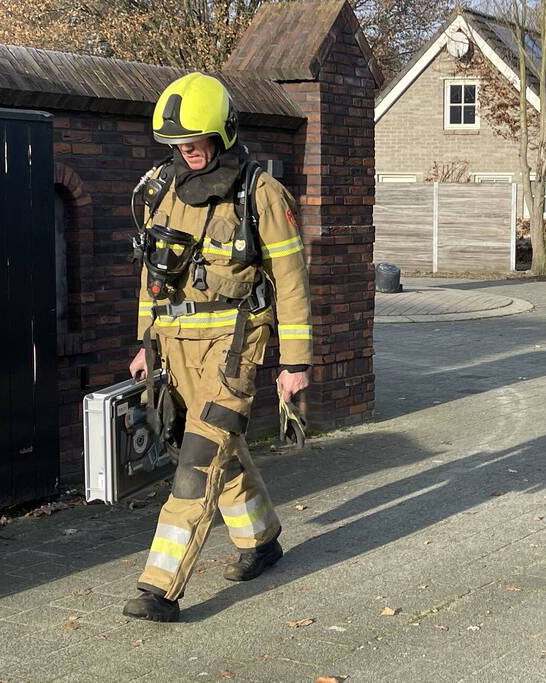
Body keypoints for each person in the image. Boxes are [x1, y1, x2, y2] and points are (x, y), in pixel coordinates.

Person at [122, 72, 313, 622]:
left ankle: (160, 587)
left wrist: (294, 361)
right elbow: (151, 278)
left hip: (234, 342)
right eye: (179, 144)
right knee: (213, 444)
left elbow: (292, 281)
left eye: (197, 142)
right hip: (174, 343)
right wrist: (145, 344)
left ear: (223, 133)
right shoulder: (162, 187)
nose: (188, 152)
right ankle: (260, 539)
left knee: (199, 459)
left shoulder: (261, 193)